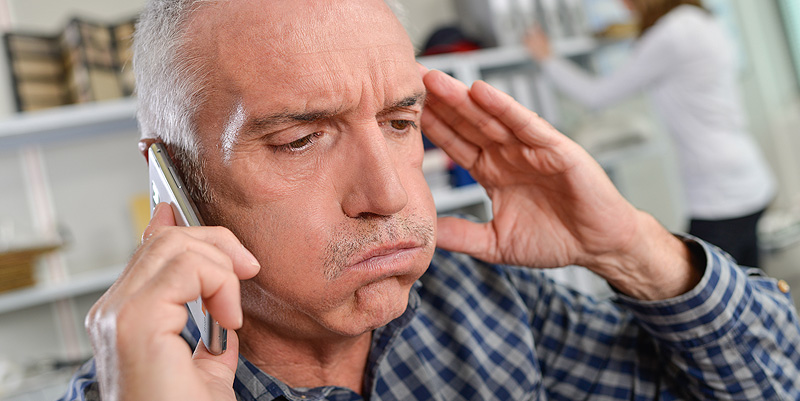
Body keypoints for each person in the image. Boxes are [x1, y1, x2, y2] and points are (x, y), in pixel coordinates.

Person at [60, 0, 800, 399]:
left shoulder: (485, 302)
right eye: (299, 139)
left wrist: (634, 251)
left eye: (399, 123)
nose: (387, 194)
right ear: (173, 180)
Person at [525, 0, 776, 268]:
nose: (621, 5)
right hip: (750, 177)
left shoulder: (670, 34)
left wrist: (547, 58)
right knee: (750, 291)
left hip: (720, 192)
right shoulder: (701, 20)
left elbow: (597, 95)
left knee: (697, 291)